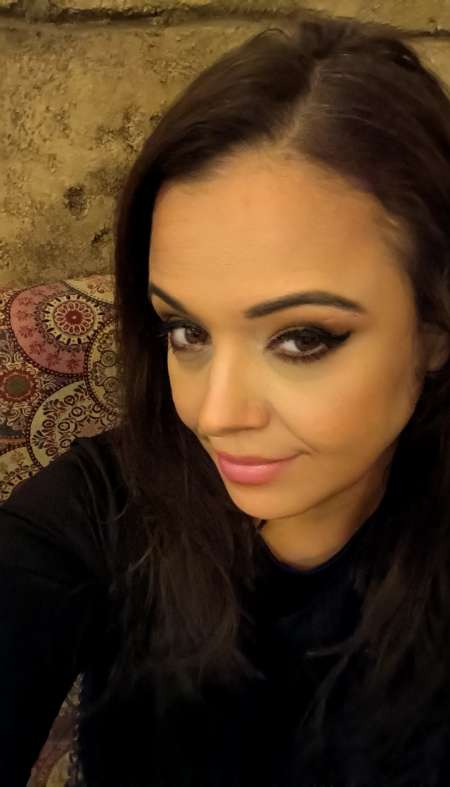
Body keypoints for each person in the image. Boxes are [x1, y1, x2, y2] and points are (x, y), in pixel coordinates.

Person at [1, 10, 450, 787]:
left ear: (434, 329)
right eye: (185, 331)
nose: (215, 415)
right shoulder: (103, 512)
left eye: (301, 339)